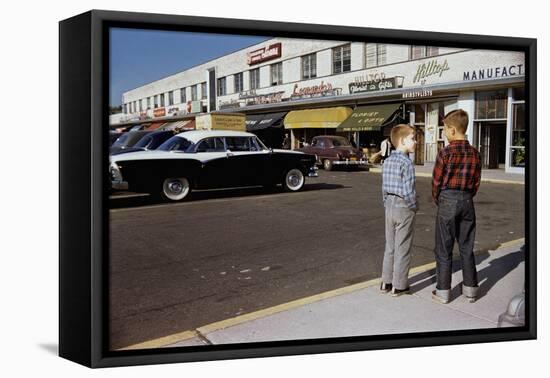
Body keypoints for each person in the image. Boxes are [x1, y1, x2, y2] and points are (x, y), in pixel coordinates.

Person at [431, 109, 482, 304]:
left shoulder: (445, 152)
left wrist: (440, 199)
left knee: (444, 248)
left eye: (444, 129)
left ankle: (443, 290)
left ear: (452, 130)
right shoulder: (475, 153)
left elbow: (436, 182)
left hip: (447, 200)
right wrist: (466, 196)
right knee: (466, 246)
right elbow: (476, 181)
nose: (443, 132)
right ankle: (470, 289)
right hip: (467, 200)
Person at [380, 124, 418, 297]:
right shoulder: (407, 163)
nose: (416, 142)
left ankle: (386, 282)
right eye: (413, 138)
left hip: (389, 204)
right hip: (403, 206)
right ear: (402, 141)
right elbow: (409, 190)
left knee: (390, 246)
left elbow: (383, 187)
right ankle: (400, 285)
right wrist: (414, 206)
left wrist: (386, 202)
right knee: (403, 247)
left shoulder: (387, 161)